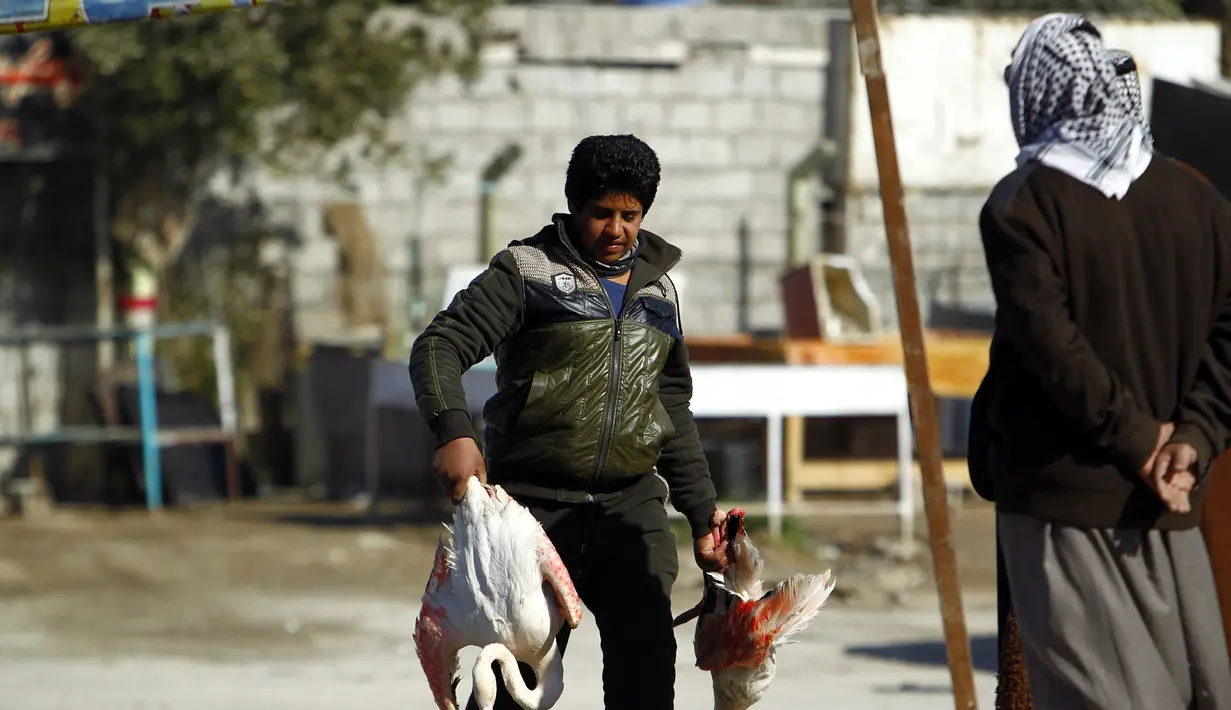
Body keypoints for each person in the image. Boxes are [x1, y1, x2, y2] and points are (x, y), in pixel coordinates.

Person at [408, 134, 728, 710]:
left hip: (630, 510)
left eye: (630, 215)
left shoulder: (658, 291)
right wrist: (453, 430)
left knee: (646, 672)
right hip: (531, 511)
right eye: (601, 213)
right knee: (511, 683)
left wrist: (703, 514)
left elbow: (670, 410)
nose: (616, 229)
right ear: (576, 207)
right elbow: (440, 345)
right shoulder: (525, 272)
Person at [979, 13, 1231, 709]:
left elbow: (1050, 347)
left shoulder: (1023, 203)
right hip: (1172, 502)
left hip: (1065, 511)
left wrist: (1141, 440)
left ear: (1037, 93)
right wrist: (1192, 438)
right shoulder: (1199, 200)